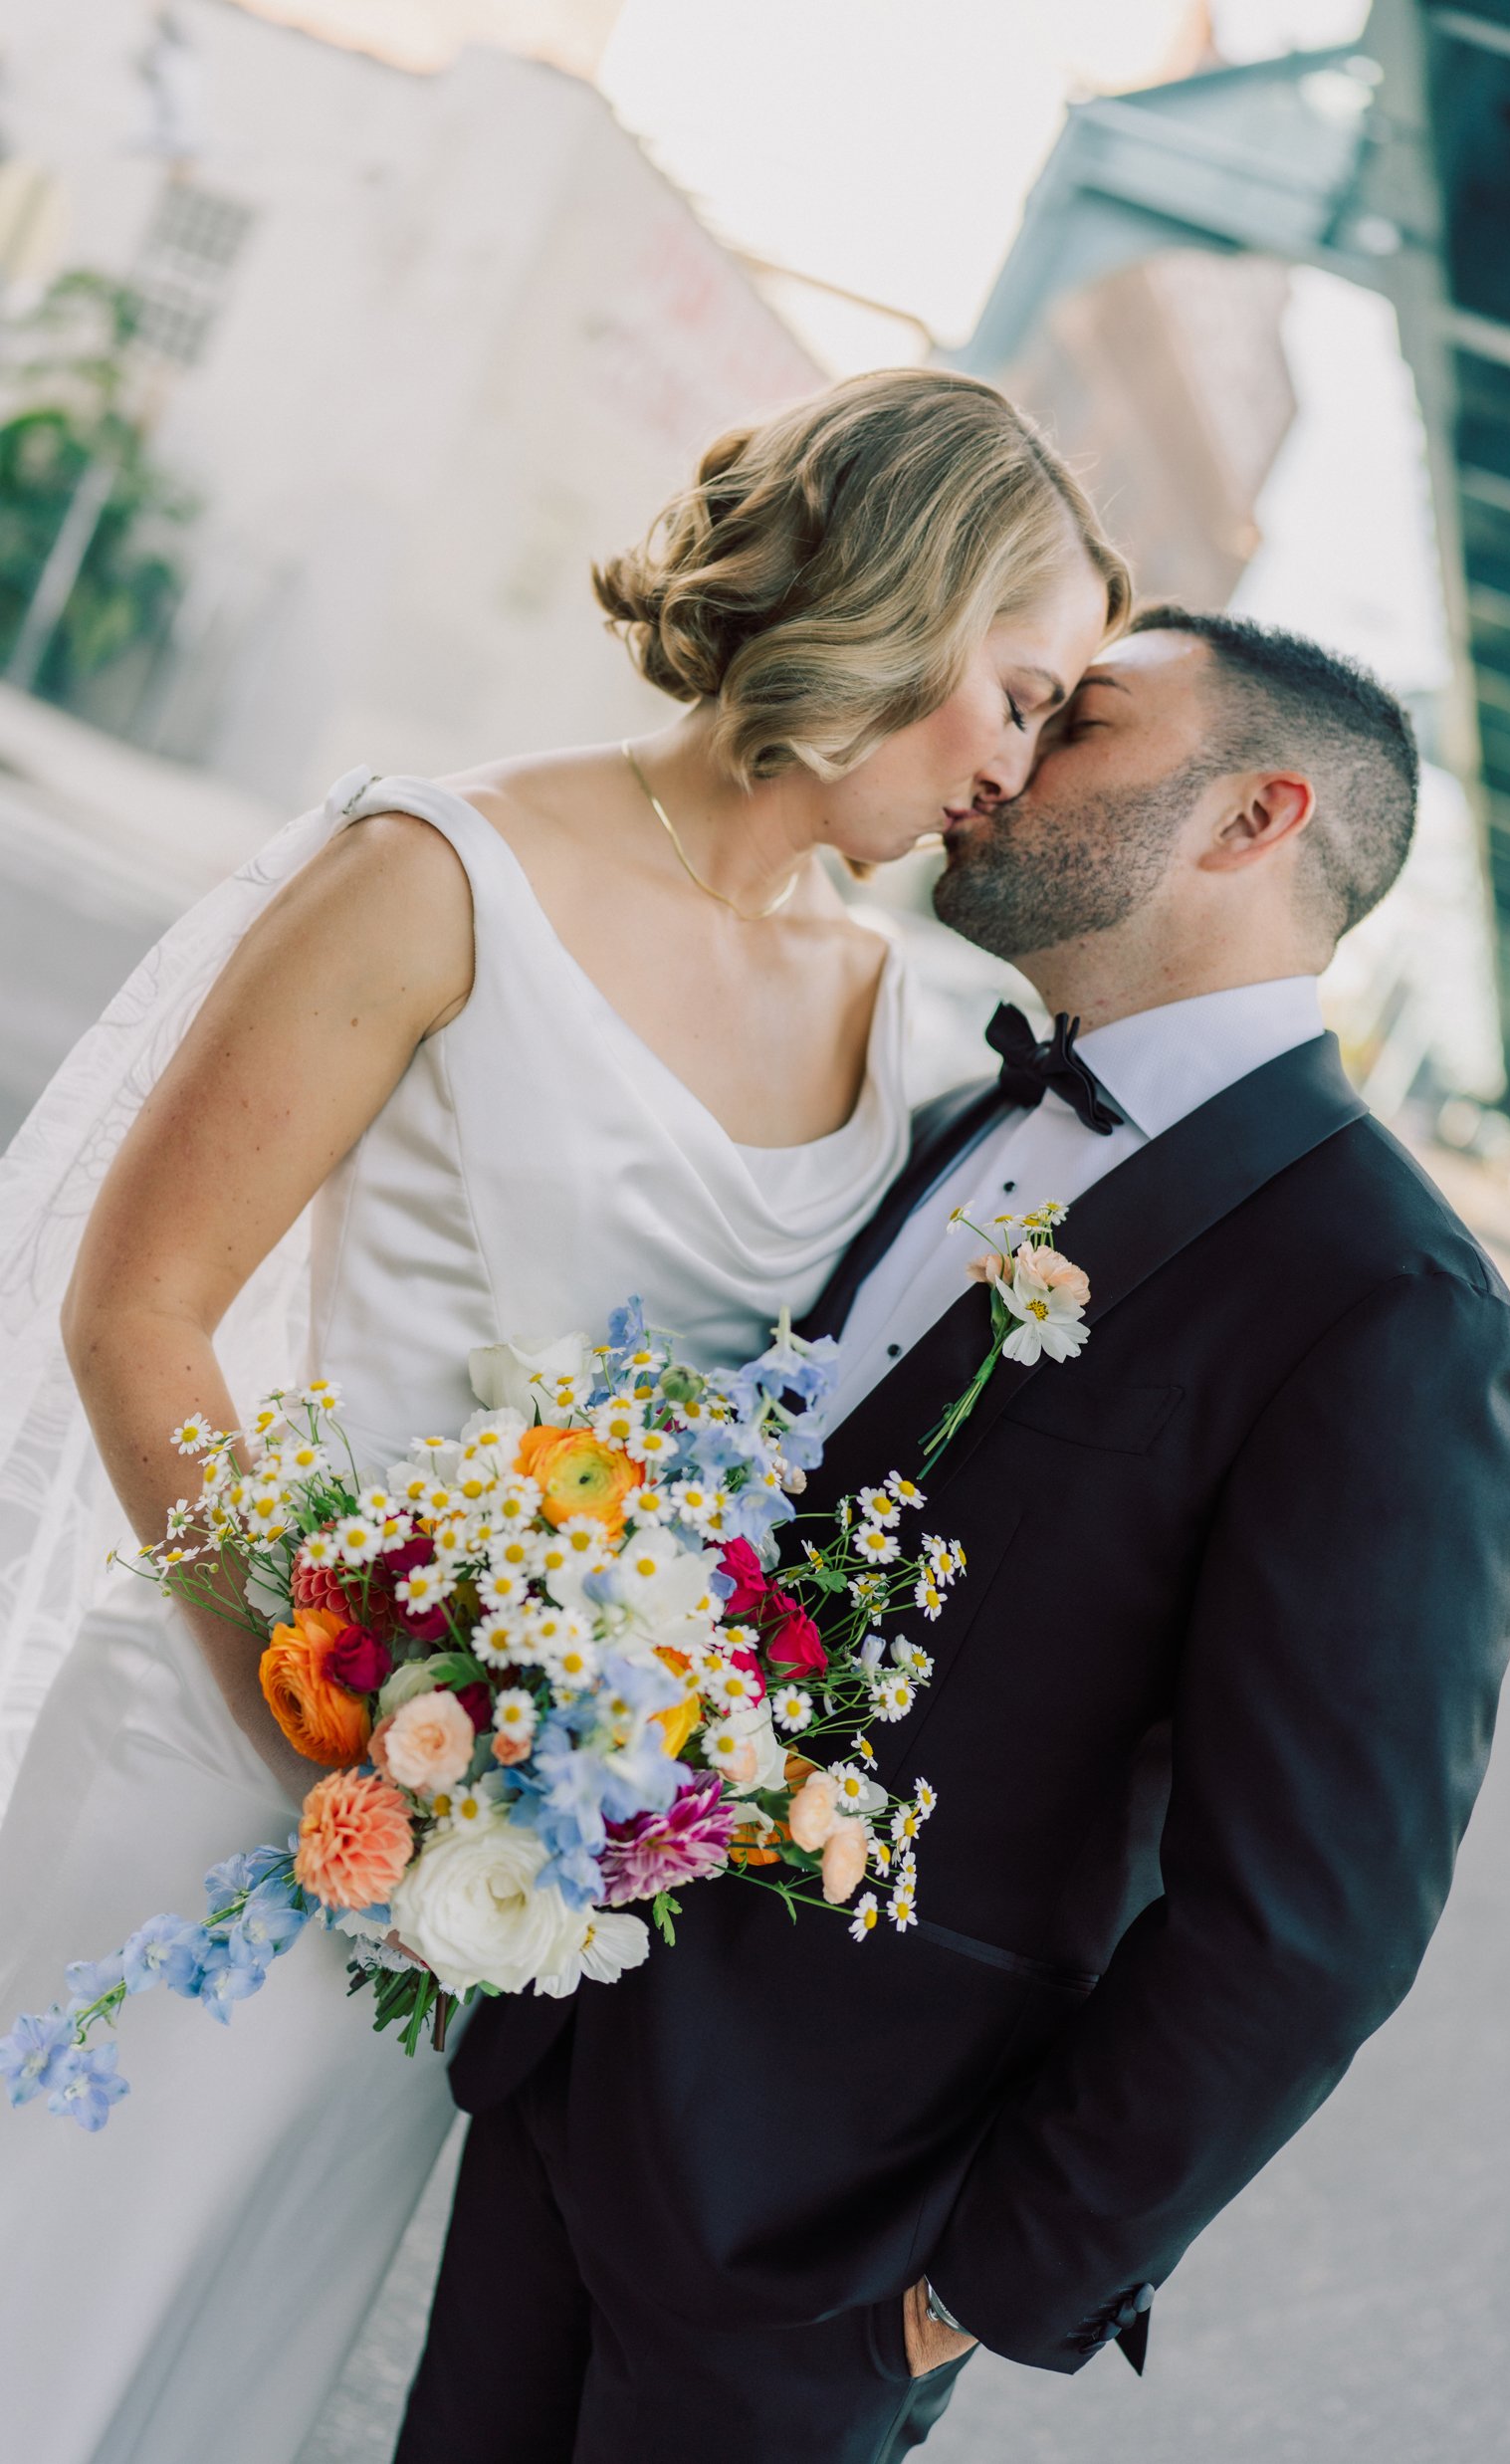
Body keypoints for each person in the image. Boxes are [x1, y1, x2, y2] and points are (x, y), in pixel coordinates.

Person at [0, 367, 1125, 2464]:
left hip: (495, 1867)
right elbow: (138, 1310)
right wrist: (353, 1737)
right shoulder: (441, 871)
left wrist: (553, 1808)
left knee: (210, 2369)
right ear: (893, 598)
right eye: (1020, 687)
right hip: (238, 1760)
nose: (1020, 765)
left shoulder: (896, 1021)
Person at [401, 607, 1510, 2461]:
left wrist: (969, 2289)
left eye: (1078, 724)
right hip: (579, 2059)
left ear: (1251, 821)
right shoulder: (955, 1115)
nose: (999, 761)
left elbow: (1312, 1928)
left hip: (840, 2239)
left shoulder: (1392, 1312)